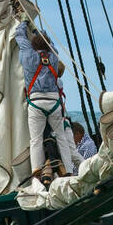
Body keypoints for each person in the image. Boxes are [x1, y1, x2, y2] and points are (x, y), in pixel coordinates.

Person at [13, 20, 77, 183]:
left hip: (36, 102)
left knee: (36, 138)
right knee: (61, 136)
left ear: (34, 45)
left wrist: (23, 23)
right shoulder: (53, 55)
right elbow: (50, 43)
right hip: (54, 101)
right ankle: (69, 169)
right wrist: (35, 30)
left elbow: (19, 37)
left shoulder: (28, 54)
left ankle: (36, 168)